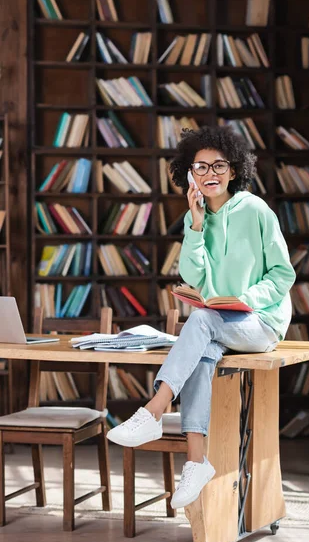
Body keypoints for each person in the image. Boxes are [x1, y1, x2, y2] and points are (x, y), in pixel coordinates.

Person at [107, 125, 296, 509]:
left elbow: (282, 274)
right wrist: (194, 225)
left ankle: (154, 410)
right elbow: (194, 279)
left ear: (234, 170)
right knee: (204, 351)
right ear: (188, 173)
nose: (210, 174)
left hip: (262, 322)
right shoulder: (198, 221)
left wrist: (245, 298)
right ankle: (196, 461)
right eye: (201, 167)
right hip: (220, 323)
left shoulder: (256, 210)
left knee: (204, 321)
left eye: (219, 166)